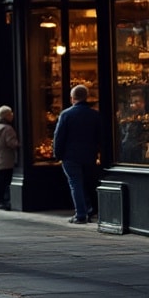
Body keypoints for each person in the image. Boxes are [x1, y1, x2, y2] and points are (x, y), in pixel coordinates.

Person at [54, 84, 101, 224]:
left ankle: (81, 214)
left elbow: (59, 136)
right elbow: (99, 137)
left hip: (70, 156)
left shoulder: (66, 114)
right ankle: (92, 209)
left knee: (76, 184)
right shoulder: (95, 115)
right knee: (89, 183)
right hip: (89, 155)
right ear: (86, 97)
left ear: (72, 98)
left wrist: (58, 154)